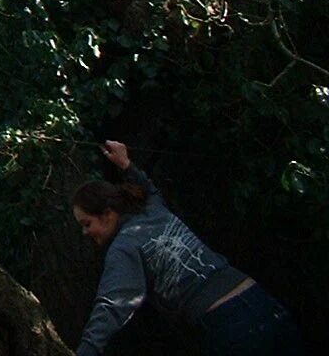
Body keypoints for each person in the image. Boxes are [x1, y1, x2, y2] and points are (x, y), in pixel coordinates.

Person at [72, 140, 303, 356]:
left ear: (108, 214)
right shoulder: (154, 210)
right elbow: (149, 189)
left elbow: (112, 306)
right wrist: (126, 164)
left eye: (87, 224)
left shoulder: (124, 247)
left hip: (231, 327)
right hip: (263, 303)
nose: (85, 233)